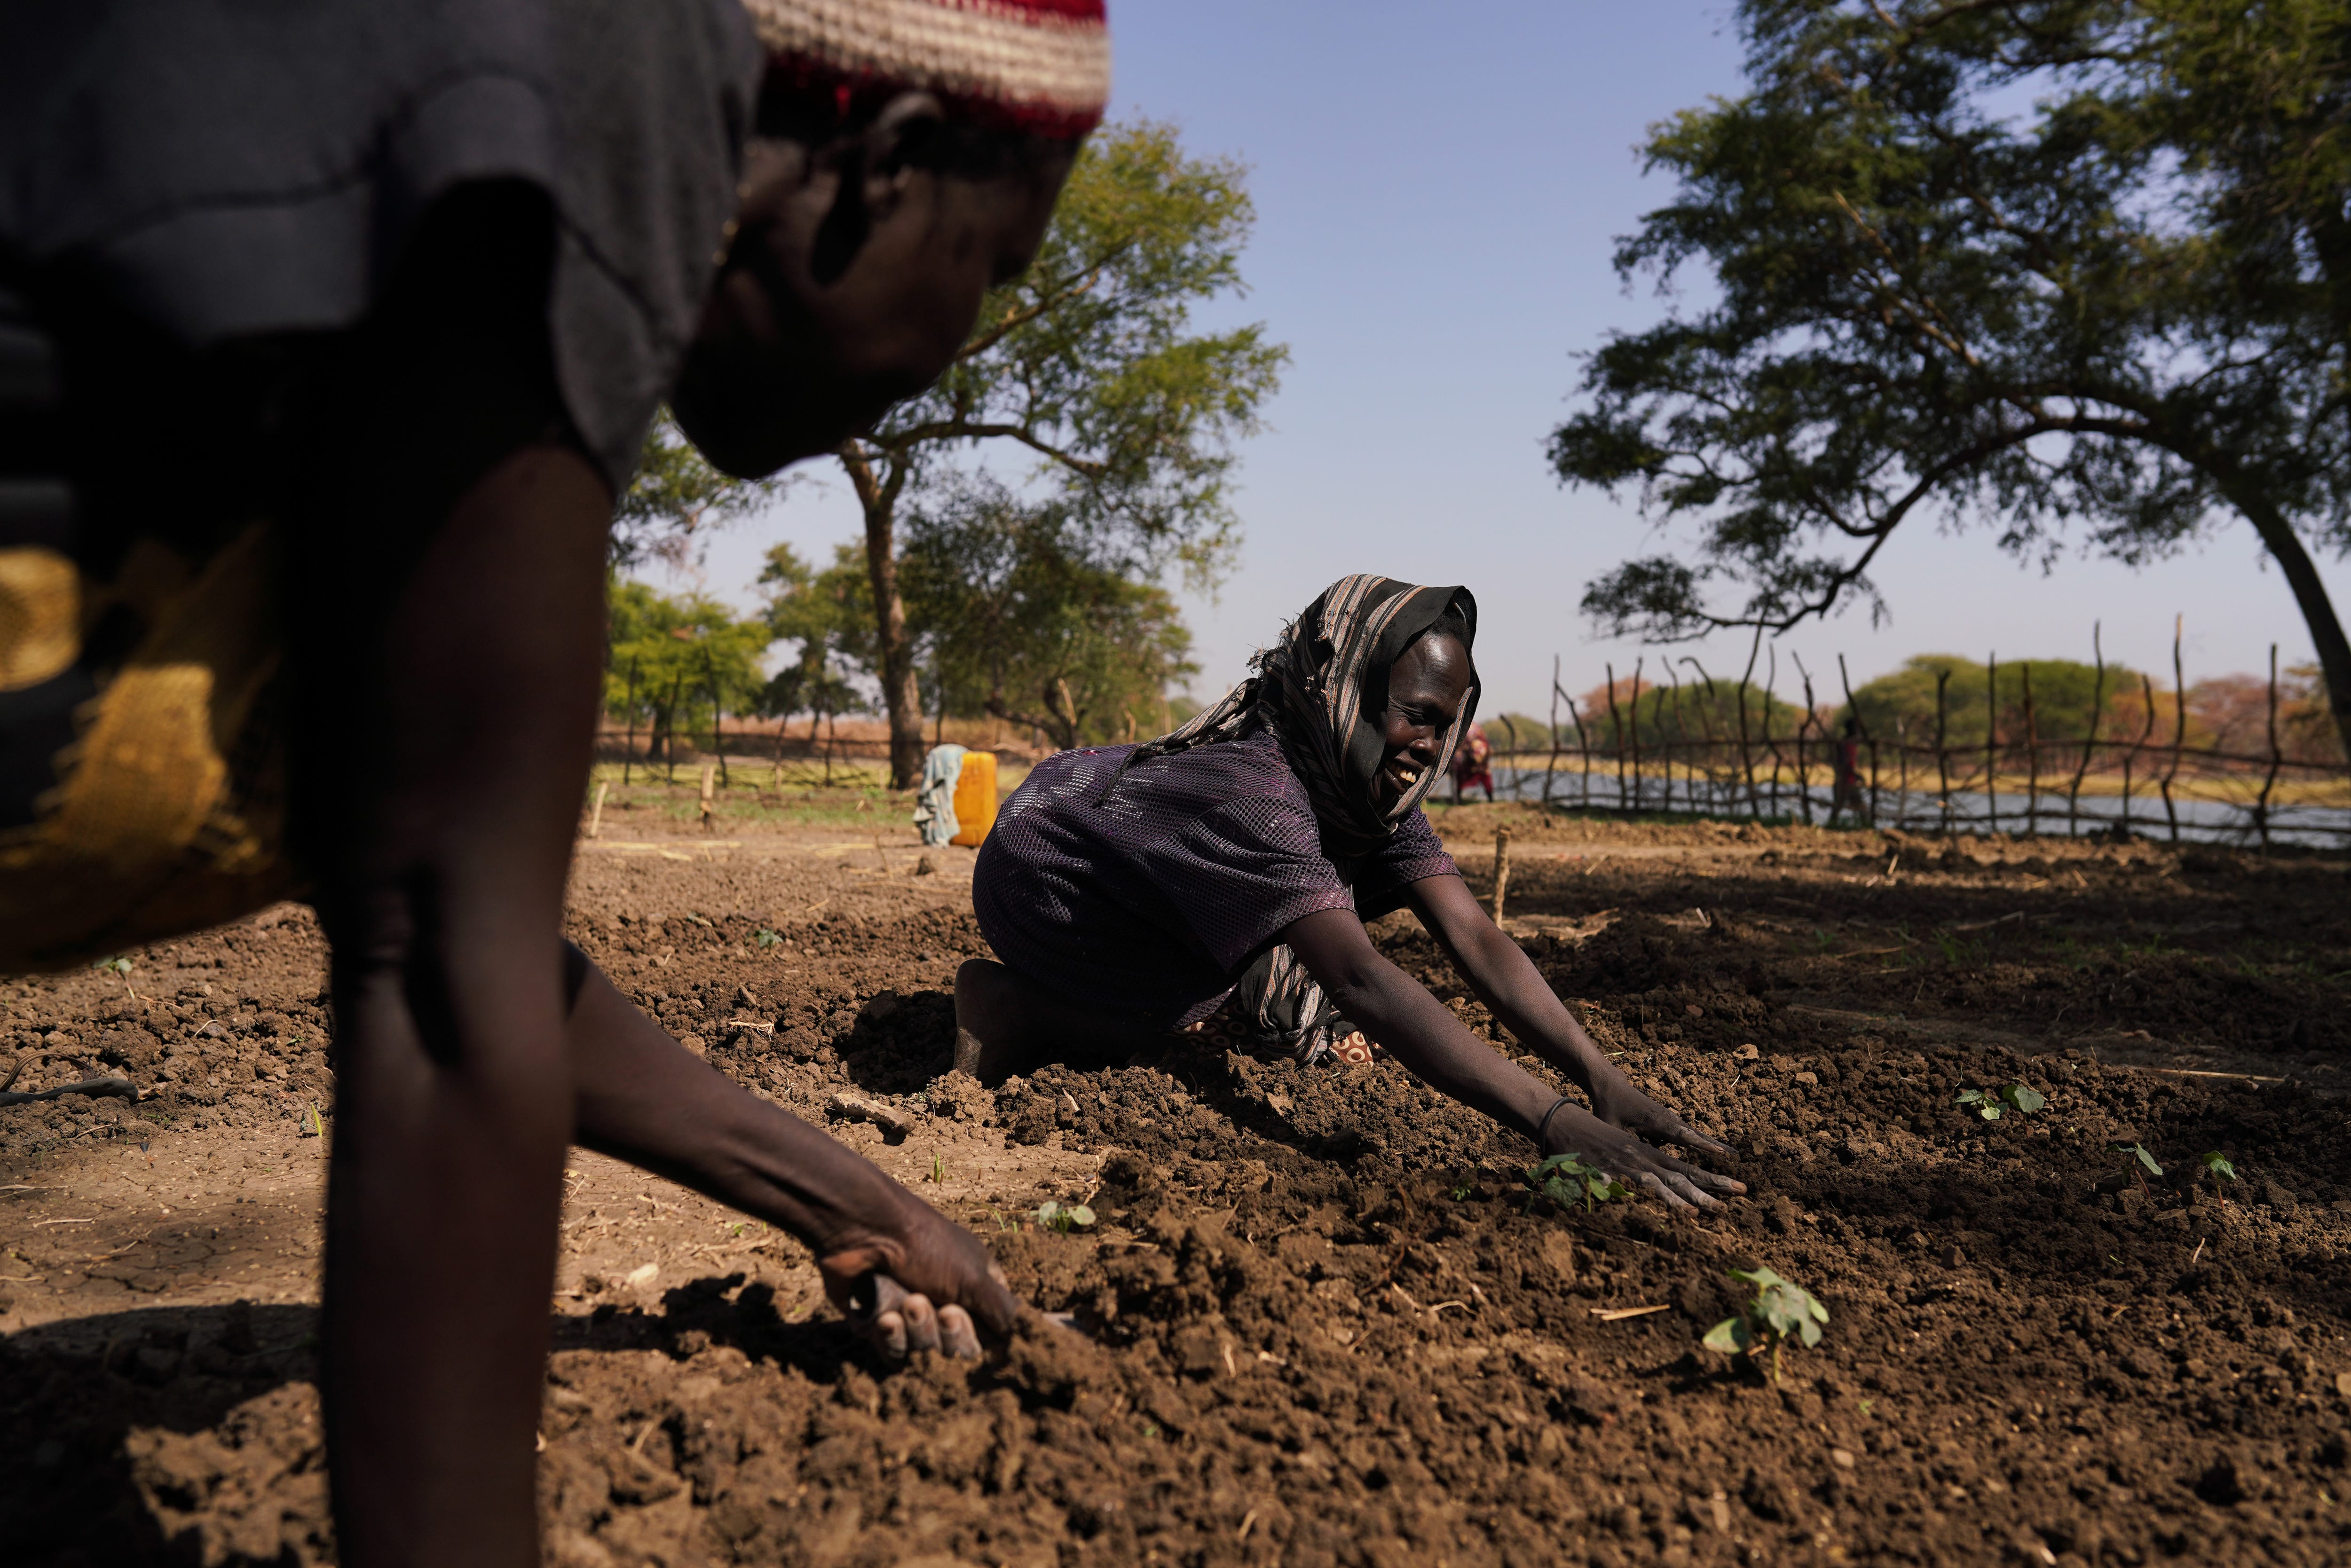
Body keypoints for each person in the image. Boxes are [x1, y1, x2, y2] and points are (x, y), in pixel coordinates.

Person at [0, 1, 1107, 1562]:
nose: (957, 336)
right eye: (989, 272)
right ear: (889, 164)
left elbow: (457, 920)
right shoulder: (558, 103)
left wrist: (858, 1205)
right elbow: (449, 977)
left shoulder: (397, 269)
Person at [953, 575, 1746, 1209]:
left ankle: (1111, 1004)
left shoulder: (1359, 787)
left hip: (1137, 869)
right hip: (1055, 880)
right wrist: (1554, 1122)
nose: (1429, 747)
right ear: (1344, 688)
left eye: (1445, 723)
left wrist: (1600, 1078)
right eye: (1415, 716)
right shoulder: (1256, 791)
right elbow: (1361, 977)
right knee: (1211, 1015)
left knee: (1276, 998)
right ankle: (1018, 1005)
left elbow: (1475, 936)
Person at [1832, 715, 1866, 822]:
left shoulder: (1847, 743)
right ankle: (1866, 826)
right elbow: (1846, 764)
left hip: (1845, 780)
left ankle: (1833, 824)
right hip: (1847, 781)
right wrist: (1857, 776)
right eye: (1857, 728)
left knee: (1839, 807)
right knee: (1860, 809)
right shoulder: (1847, 744)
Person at [1452, 719, 1496, 801]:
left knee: (1485, 780)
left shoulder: (1470, 728)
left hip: (1477, 761)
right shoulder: (1464, 726)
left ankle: (1491, 800)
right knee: (1461, 779)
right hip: (1469, 761)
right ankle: (1458, 799)